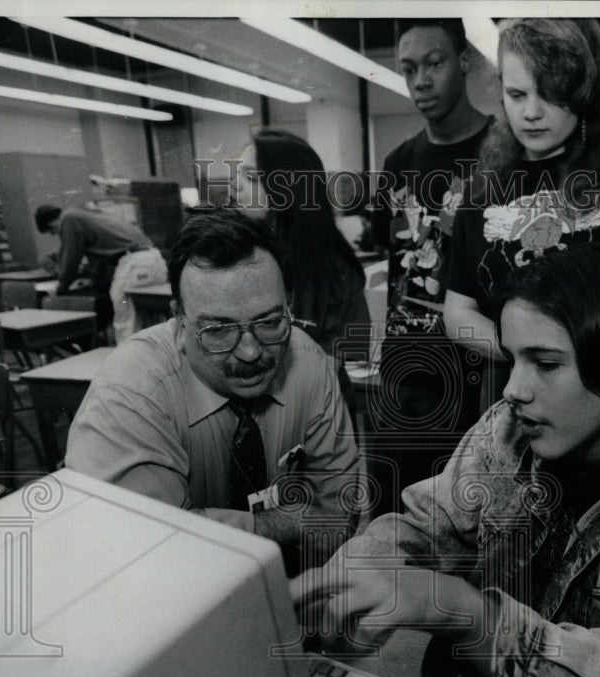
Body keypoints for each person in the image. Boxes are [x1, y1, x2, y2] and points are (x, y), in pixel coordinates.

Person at [293, 243, 600, 677]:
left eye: (546, 364)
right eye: (513, 359)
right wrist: (348, 582)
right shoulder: (508, 430)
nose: (513, 389)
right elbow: (427, 525)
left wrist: (463, 612)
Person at [65, 210, 360, 567]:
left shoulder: (310, 363)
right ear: (178, 322)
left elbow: (336, 515)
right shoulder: (132, 392)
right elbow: (142, 548)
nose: (250, 352)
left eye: (269, 322)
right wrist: (287, 522)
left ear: (289, 308)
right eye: (218, 330)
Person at [442, 18, 600, 407]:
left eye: (552, 94)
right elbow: (458, 311)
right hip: (515, 400)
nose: (531, 112)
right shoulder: (482, 192)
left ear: (584, 92)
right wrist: (531, 356)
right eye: (516, 93)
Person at [367, 18, 494, 514]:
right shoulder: (398, 163)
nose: (421, 80)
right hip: (405, 370)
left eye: (435, 63)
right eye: (408, 68)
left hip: (480, 377)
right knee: (390, 514)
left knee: (464, 527)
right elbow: (395, 262)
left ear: (464, 61)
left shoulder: (504, 155)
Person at [231, 129, 371, 418]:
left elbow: (346, 351)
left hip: (316, 416)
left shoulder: (335, 269)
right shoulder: (235, 255)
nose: (235, 187)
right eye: (236, 175)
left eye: (251, 177)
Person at [34, 204, 168, 342]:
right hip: (154, 259)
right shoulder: (87, 213)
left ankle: (128, 360)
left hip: (134, 262)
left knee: (126, 320)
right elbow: (103, 256)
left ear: (51, 222)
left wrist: (61, 289)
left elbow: (70, 260)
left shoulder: (69, 219)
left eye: (53, 232)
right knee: (151, 320)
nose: (57, 235)